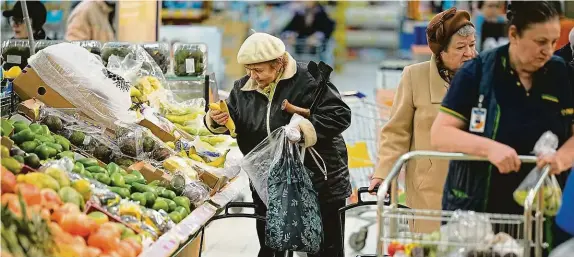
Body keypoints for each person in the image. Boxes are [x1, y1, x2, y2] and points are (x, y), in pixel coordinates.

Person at [431, 1, 573, 250]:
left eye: (553, 42)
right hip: (477, 213)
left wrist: (561, 158)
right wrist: (489, 149)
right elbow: (441, 133)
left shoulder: (560, 74)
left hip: (537, 214)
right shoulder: (478, 72)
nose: (548, 51)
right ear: (514, 34)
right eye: (540, 42)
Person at [204, 32, 351, 257]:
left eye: (259, 70)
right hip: (269, 182)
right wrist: (217, 121)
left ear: (279, 63)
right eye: (248, 69)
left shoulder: (310, 79)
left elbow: (340, 115)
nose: (253, 76)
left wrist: (304, 130)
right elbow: (232, 120)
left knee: (325, 248)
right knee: (271, 246)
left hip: (319, 179)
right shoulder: (242, 88)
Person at [369, 7, 477, 233]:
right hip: (428, 188)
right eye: (460, 47)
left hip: (473, 186)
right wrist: (383, 174)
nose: (469, 53)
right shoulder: (414, 76)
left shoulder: (484, 76)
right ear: (440, 52)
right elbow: (396, 133)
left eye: (472, 45)